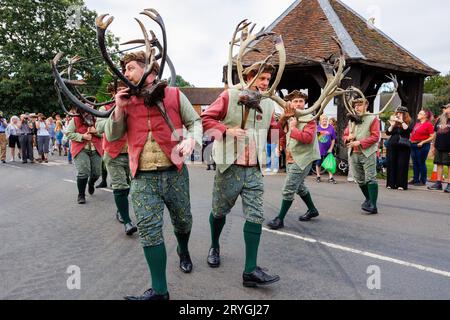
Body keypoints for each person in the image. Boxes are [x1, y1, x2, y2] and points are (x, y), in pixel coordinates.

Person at [106, 51, 202, 300]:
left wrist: (192, 138)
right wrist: (118, 109)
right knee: (149, 230)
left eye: (130, 68)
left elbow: (195, 122)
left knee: (183, 221)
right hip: (143, 177)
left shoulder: (175, 94)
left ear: (150, 71)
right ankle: (160, 291)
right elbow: (113, 135)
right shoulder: (125, 100)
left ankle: (183, 249)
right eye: (125, 69)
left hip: (176, 173)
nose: (125, 73)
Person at [201, 62, 282, 288]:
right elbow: (206, 120)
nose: (265, 83)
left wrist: (284, 122)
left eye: (268, 79)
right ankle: (215, 245)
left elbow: (271, 133)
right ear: (249, 77)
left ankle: (250, 271)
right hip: (229, 166)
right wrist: (227, 130)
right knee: (219, 211)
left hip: (254, 168)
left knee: (256, 215)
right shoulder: (229, 96)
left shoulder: (267, 104)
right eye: (262, 78)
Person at [267, 90, 321, 230]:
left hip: (303, 158)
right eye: (295, 101)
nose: (298, 103)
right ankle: (312, 210)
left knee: (289, 188)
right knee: (300, 186)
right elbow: (282, 133)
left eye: (301, 101)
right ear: (290, 103)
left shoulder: (310, 118)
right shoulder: (290, 117)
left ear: (305, 103)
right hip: (291, 157)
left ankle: (280, 219)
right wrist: (280, 145)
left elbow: (307, 139)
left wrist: (293, 127)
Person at [96, 81, 137, 236]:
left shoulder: (134, 106)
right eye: (118, 90)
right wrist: (118, 114)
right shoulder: (104, 109)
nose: (122, 92)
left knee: (133, 187)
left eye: (124, 89)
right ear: (113, 93)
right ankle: (127, 221)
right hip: (114, 154)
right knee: (120, 187)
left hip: (133, 153)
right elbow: (100, 128)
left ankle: (121, 210)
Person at [343, 98, 381, 215]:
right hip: (354, 153)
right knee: (359, 179)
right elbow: (345, 135)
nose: (357, 107)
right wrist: (347, 139)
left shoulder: (372, 119)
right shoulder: (352, 120)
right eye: (356, 106)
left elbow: (375, 137)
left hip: (367, 153)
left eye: (360, 105)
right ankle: (368, 198)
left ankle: (373, 206)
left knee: (370, 178)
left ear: (366, 106)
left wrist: (360, 142)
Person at [66, 108, 103, 204]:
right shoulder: (75, 119)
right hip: (81, 149)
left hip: (96, 149)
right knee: (83, 172)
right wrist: (82, 136)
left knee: (97, 173)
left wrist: (96, 132)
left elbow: (105, 133)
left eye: (90, 106)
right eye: (85, 106)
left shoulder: (97, 120)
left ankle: (91, 183)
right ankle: (81, 194)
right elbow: (68, 133)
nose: (88, 108)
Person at [385, 106, 413, 190]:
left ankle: (401, 184)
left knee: (402, 164)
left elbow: (408, 130)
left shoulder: (409, 121)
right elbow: (388, 132)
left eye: (401, 113)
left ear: (405, 114)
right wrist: (392, 125)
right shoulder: (394, 121)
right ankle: (391, 183)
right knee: (391, 163)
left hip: (403, 146)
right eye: (398, 113)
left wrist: (401, 121)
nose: (399, 114)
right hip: (392, 145)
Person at [428, 104, 450, 192]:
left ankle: (449, 184)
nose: (445, 109)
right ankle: (438, 183)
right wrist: (433, 146)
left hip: (448, 147)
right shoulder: (440, 119)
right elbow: (435, 133)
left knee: (449, 165)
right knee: (439, 164)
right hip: (439, 145)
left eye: (447, 107)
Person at [409, 110, 435, 186]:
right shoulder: (417, 124)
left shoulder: (428, 124)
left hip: (422, 145)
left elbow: (432, 136)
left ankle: (422, 181)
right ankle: (415, 179)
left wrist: (422, 142)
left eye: (420, 113)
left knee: (421, 162)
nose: (418, 114)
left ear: (425, 116)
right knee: (415, 163)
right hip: (413, 144)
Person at [315, 114, 337, 184]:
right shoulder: (317, 128)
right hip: (319, 149)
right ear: (320, 121)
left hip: (329, 149)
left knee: (329, 163)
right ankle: (318, 176)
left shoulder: (331, 128)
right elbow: (314, 139)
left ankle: (331, 177)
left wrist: (331, 148)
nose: (324, 120)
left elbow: (333, 139)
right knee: (318, 163)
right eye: (323, 119)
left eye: (325, 119)